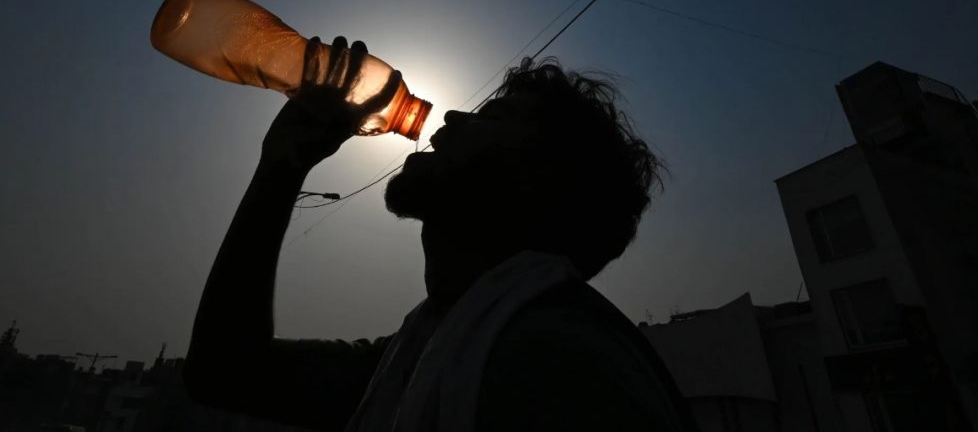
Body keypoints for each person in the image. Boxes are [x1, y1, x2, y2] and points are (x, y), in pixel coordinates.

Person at [183, 36, 695, 431]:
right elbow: (224, 370)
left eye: (494, 116)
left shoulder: (563, 367)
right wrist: (282, 163)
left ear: (534, 180)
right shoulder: (418, 356)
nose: (450, 115)